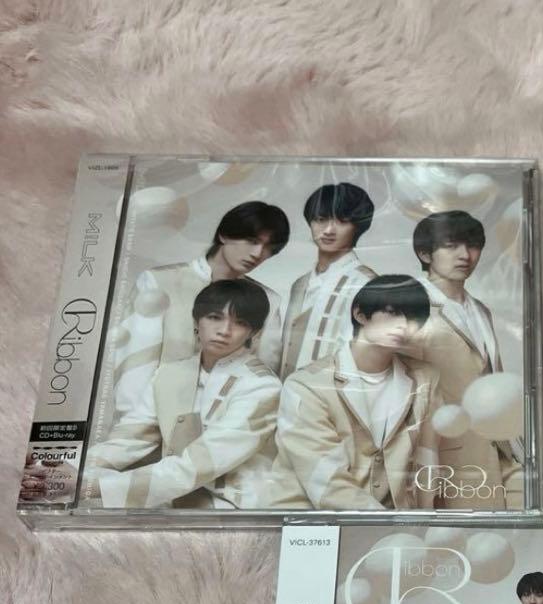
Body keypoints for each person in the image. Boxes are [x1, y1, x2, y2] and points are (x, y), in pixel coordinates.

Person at [81, 279, 279, 509]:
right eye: (214, 317)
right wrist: (74, 471)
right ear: (196, 321)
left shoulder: (262, 386)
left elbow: (202, 463)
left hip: (236, 506)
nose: (224, 331)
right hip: (175, 498)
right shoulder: (170, 373)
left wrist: (97, 486)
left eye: (240, 323)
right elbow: (132, 436)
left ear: (253, 332)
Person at [102, 200, 289, 432]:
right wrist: (134, 428)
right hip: (156, 425)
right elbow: (136, 366)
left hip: (224, 430)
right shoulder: (161, 282)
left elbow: (265, 370)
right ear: (224, 235)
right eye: (252, 241)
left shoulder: (269, 299)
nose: (258, 253)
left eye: (269, 248)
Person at [265, 274, 442, 510]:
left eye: (412, 317)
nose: (403, 324)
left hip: (396, 522)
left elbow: (427, 462)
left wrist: (423, 523)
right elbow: (326, 483)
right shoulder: (306, 385)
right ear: (360, 314)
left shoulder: (425, 379)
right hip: (313, 520)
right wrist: (389, 523)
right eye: (392, 312)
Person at [407, 210, 523, 509]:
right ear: (425, 254)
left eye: (472, 246)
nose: (465, 255)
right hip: (445, 457)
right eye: (451, 246)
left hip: (499, 450)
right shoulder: (410, 307)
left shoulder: (481, 310)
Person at [279, 182, 377, 380]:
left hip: (331, 392)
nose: (329, 230)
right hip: (288, 390)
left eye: (342, 221)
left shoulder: (366, 283)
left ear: (358, 226)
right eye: (321, 219)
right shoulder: (300, 284)